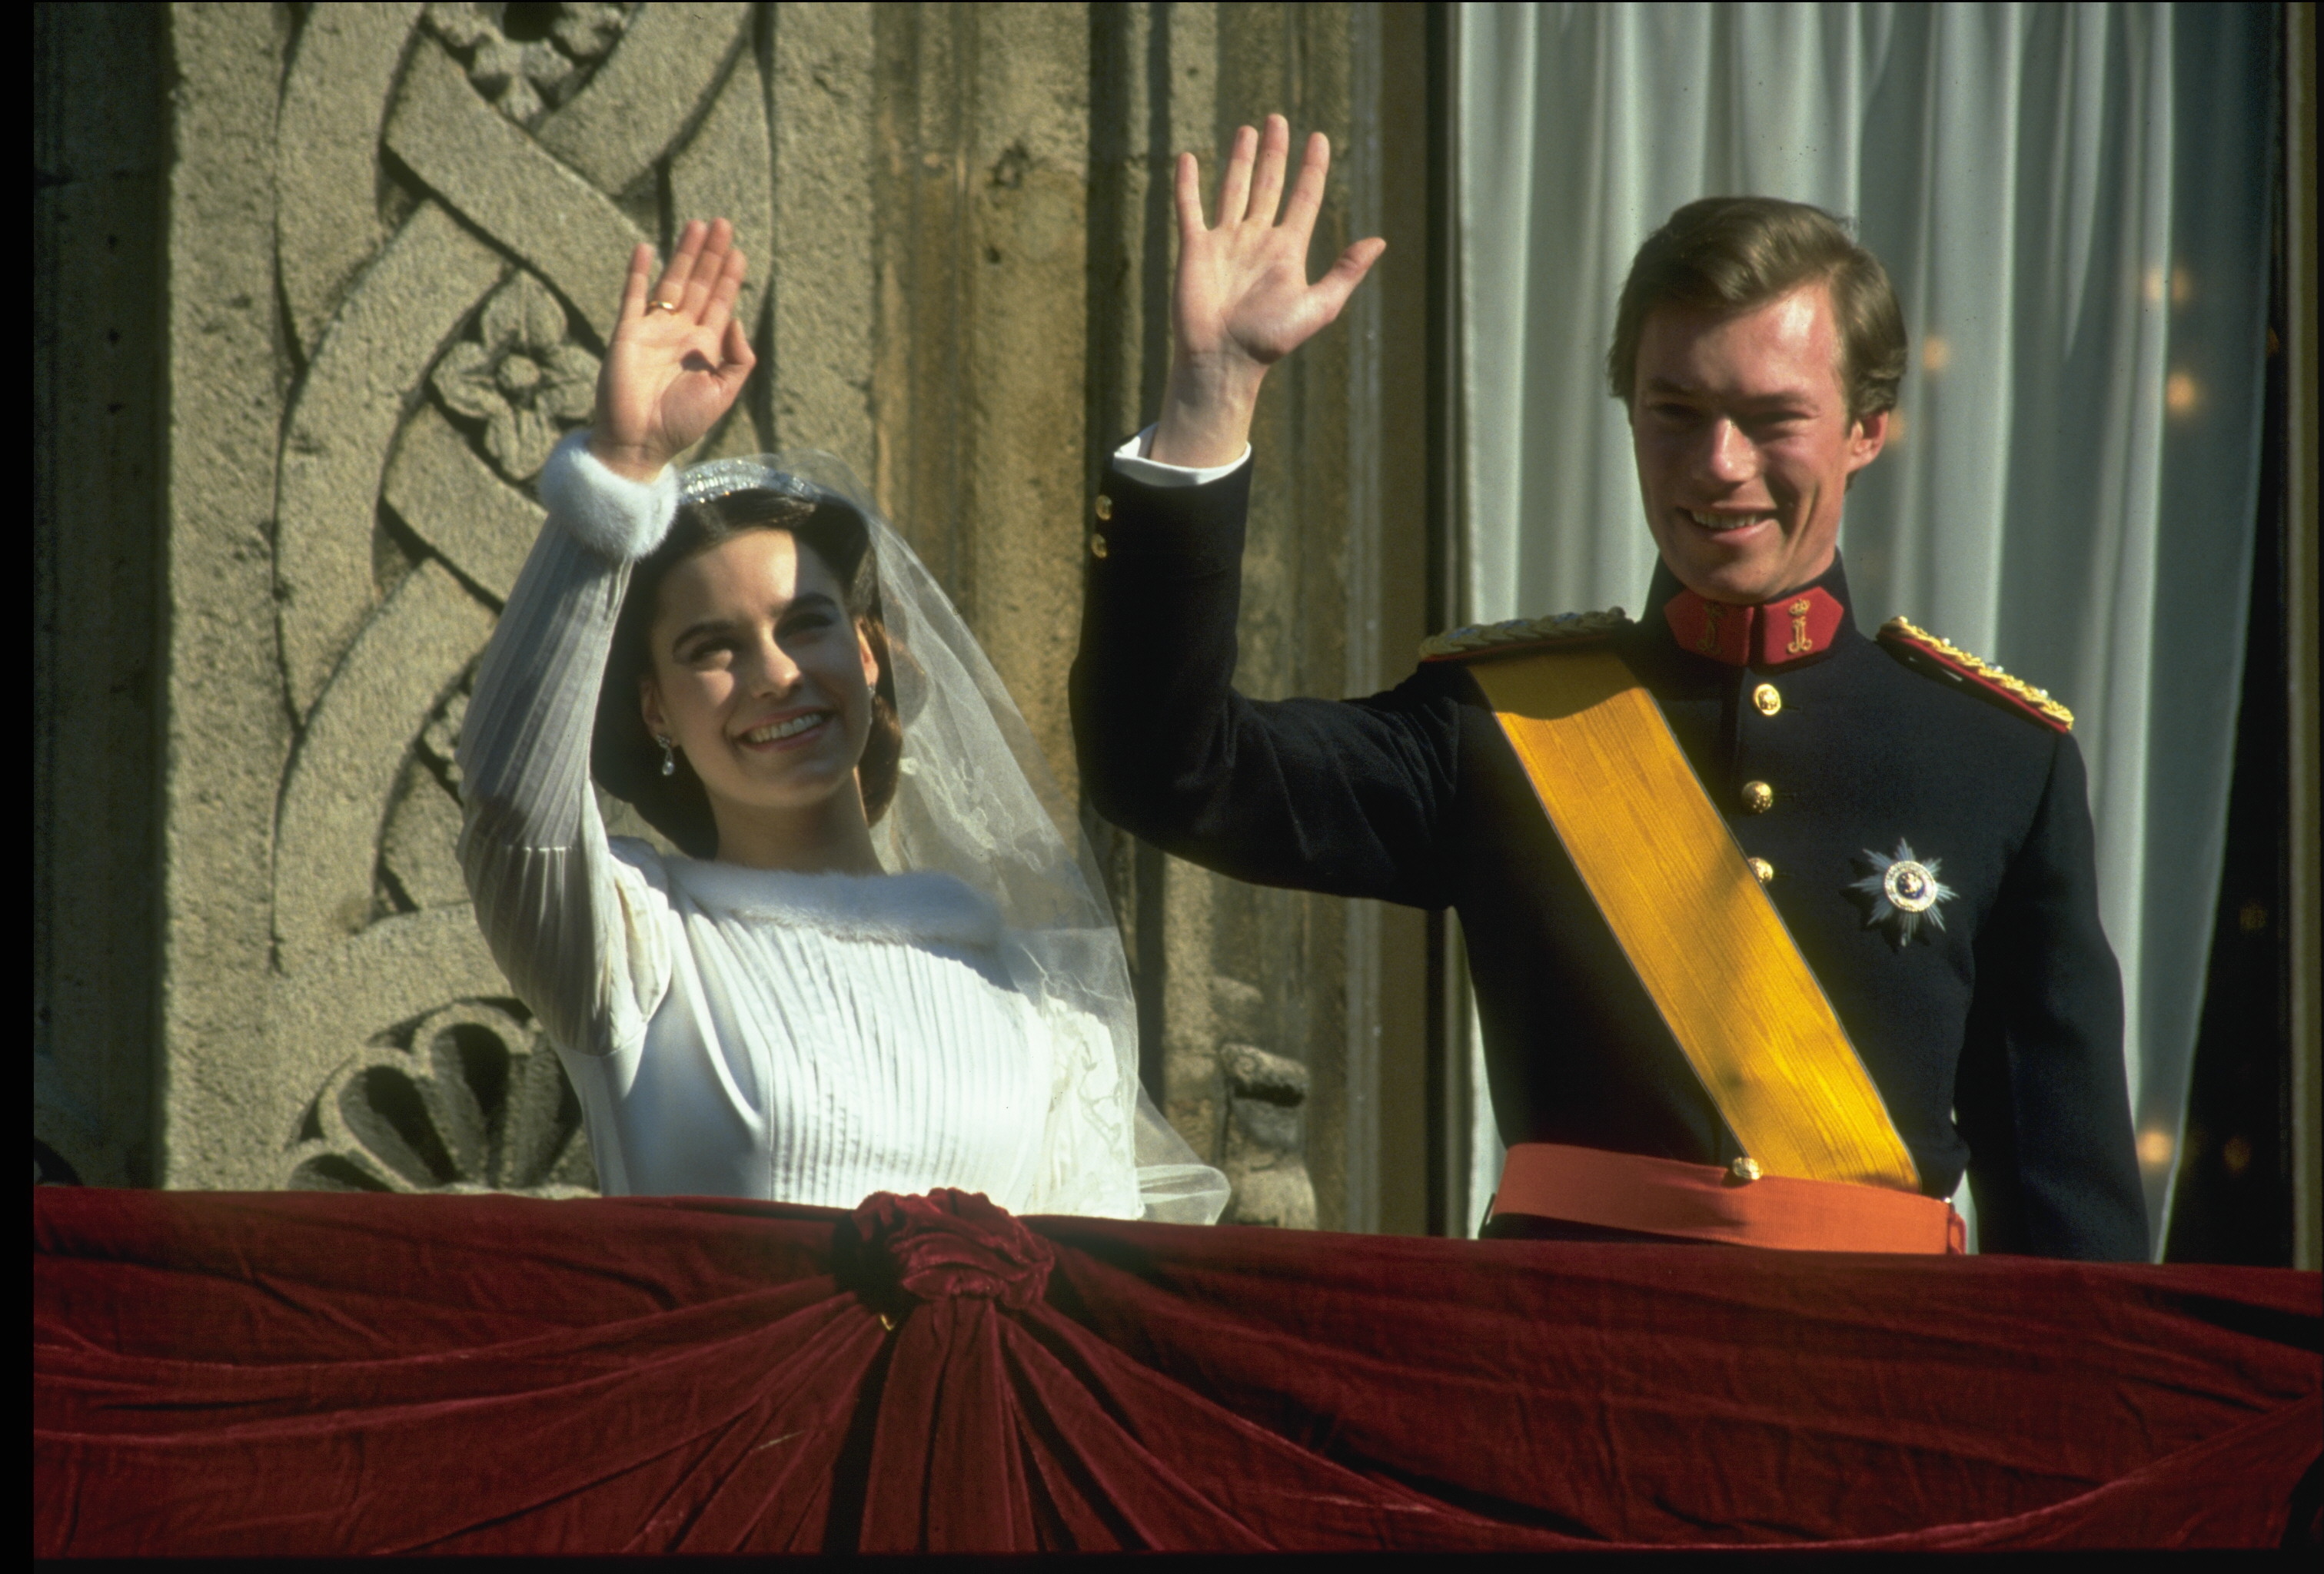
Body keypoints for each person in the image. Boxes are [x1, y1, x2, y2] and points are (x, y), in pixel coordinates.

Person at [1070, 117, 2148, 1258]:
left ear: (1866, 430)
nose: (1718, 464)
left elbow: (2070, 1217)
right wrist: (1211, 394)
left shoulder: (1994, 758)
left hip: (1878, 1398)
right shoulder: (1505, 724)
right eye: (1676, 412)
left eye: (1772, 417)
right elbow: (1168, 769)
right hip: (1563, 1387)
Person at [457, 219, 1225, 1223]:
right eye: (713, 649)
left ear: (867, 655)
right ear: (655, 708)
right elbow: (514, 801)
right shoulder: (636, 950)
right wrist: (619, 470)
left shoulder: (1022, 989)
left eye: (806, 625)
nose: (776, 674)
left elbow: (1095, 1285)